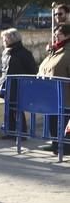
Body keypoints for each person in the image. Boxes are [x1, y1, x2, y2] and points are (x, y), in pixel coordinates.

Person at [0, 28, 37, 134]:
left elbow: (32, 71)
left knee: (17, 109)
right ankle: (10, 131)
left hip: (19, 85)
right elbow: (4, 71)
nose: (3, 42)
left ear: (12, 39)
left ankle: (21, 133)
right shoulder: (6, 52)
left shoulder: (24, 53)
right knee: (9, 109)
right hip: (8, 85)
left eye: (5, 39)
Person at [38, 24, 70, 154]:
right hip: (52, 94)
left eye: (59, 34)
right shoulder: (55, 49)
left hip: (66, 95)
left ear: (68, 35)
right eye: (55, 34)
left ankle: (66, 147)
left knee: (64, 122)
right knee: (53, 119)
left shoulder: (66, 51)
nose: (55, 37)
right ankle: (56, 143)